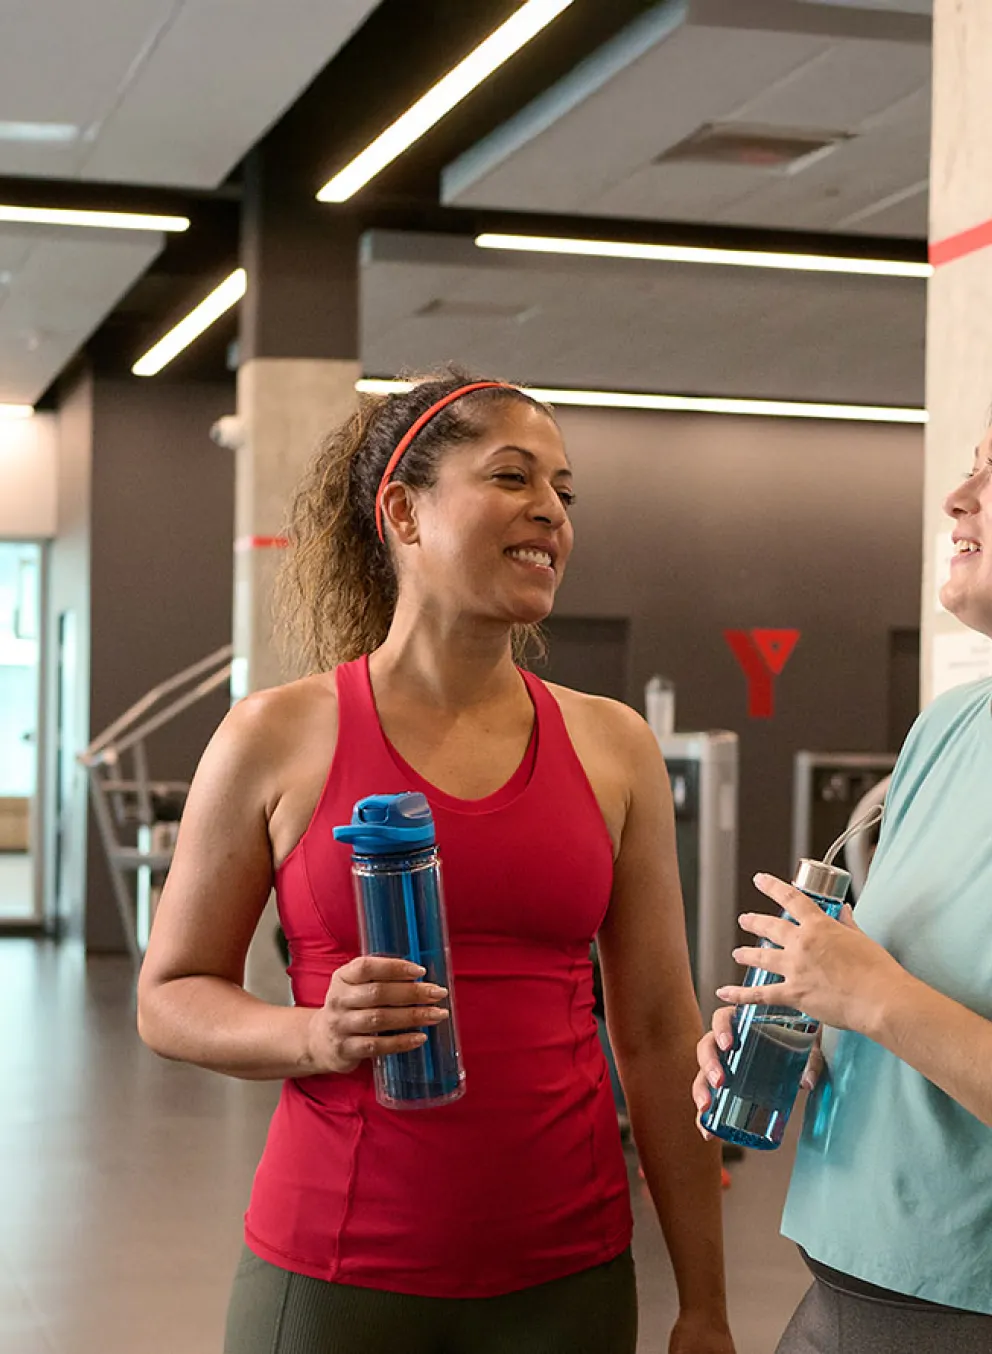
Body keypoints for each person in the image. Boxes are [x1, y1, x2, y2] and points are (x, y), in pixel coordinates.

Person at [137, 370, 737, 1354]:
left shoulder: (611, 745)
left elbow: (662, 1030)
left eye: (562, 490)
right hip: (336, 1271)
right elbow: (168, 994)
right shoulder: (276, 737)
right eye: (509, 476)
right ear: (403, 513)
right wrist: (314, 1034)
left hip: (569, 1275)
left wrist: (703, 1302)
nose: (547, 508)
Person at [693, 431, 992, 1352]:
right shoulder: (950, 726)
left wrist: (870, 992)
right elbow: (900, 1006)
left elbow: (894, 996)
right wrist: (809, 1023)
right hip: (843, 1270)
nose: (957, 497)